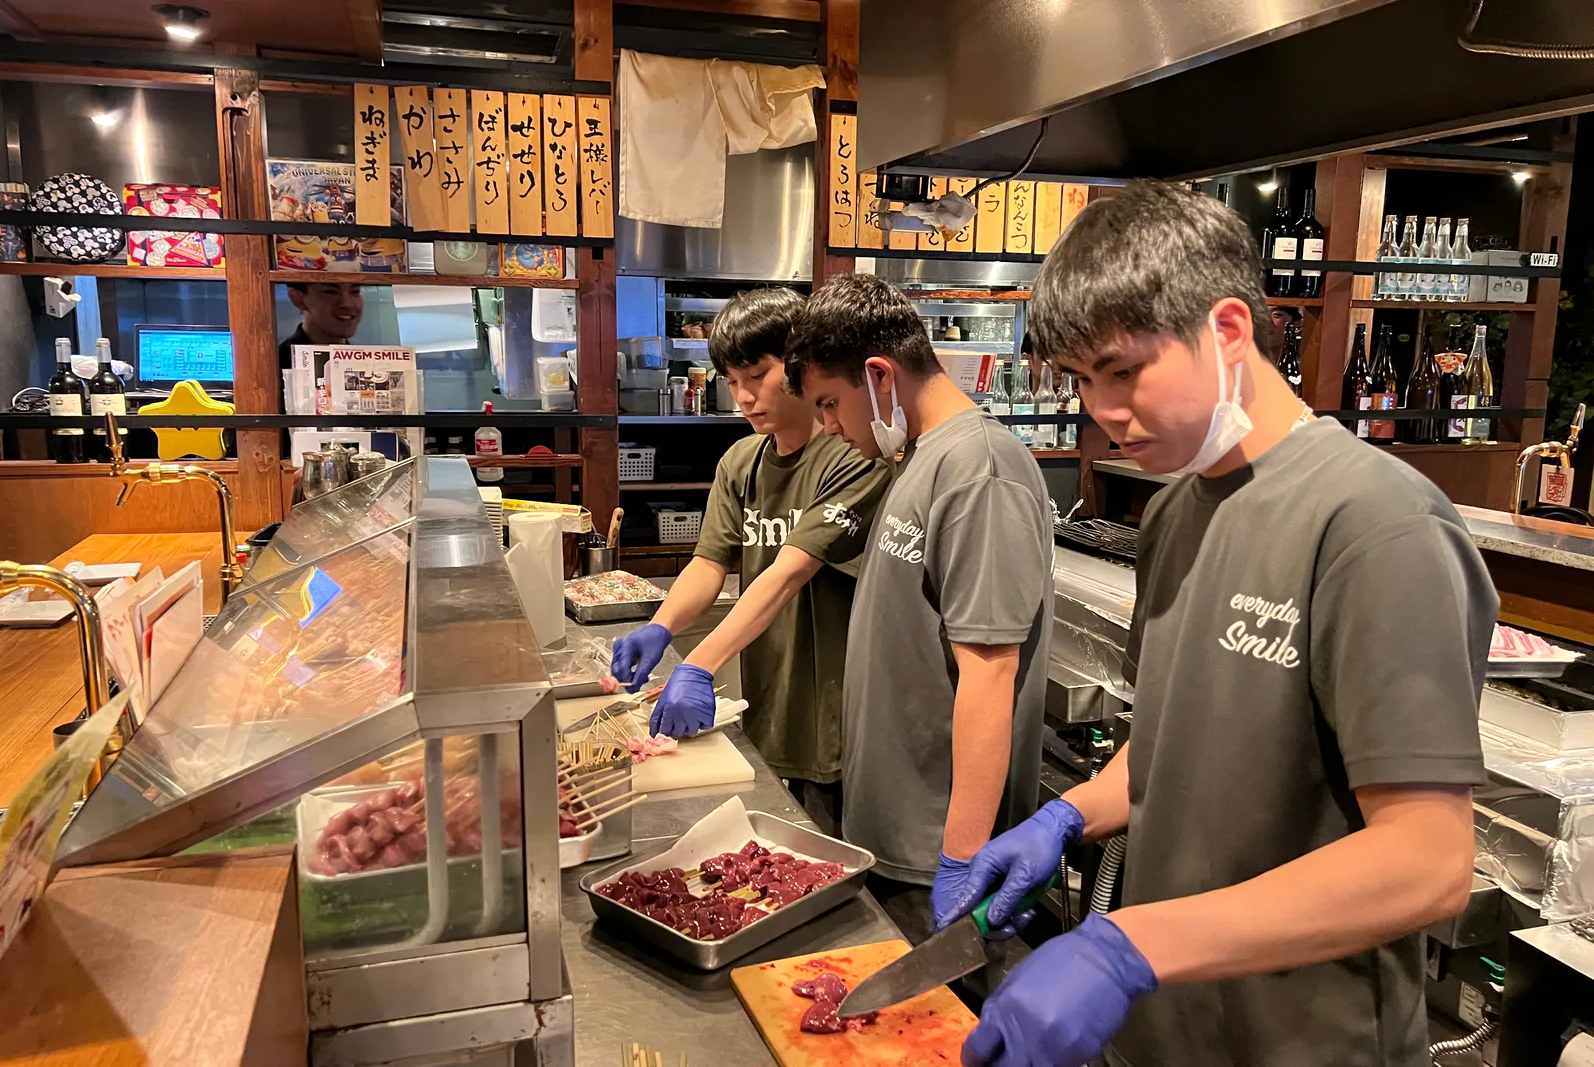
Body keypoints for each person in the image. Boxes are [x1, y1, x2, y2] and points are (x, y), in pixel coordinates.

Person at [944, 181, 1494, 1067]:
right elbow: (1172, 743)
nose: (1101, 411)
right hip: (1166, 1032)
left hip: (1301, 1044)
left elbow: (1428, 863)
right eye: (1081, 381)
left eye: (1123, 371)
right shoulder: (1175, 511)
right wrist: (1068, 815)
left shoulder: (1375, 522)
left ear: (1229, 330)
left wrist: (1129, 946)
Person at [782, 273, 1053, 947]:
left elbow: (990, 669)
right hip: (888, 832)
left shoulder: (980, 469)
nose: (829, 427)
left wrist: (961, 854)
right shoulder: (918, 457)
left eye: (829, 404)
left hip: (935, 848)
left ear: (879, 374)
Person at [610, 288, 890, 828]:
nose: (743, 396)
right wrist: (662, 625)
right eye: (732, 381)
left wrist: (700, 662)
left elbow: (790, 572)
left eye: (758, 375)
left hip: (836, 707)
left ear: (802, 366)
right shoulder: (741, 460)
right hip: (770, 694)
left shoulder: (854, 456)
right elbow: (709, 562)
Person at [277, 281, 365, 400]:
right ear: (298, 298)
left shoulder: (367, 365)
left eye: (355, 291)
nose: (347, 304)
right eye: (331, 292)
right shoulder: (274, 368)